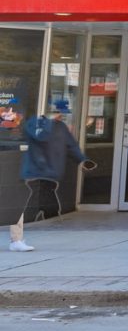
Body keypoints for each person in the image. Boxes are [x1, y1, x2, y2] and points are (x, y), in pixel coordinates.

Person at [10, 99, 92, 253]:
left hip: (50, 174)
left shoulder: (60, 127)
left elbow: (72, 146)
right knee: (21, 207)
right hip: (33, 173)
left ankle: (17, 240)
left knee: (38, 205)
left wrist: (83, 160)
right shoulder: (34, 123)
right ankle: (16, 240)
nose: (62, 116)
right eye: (59, 113)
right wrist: (48, 121)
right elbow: (40, 137)